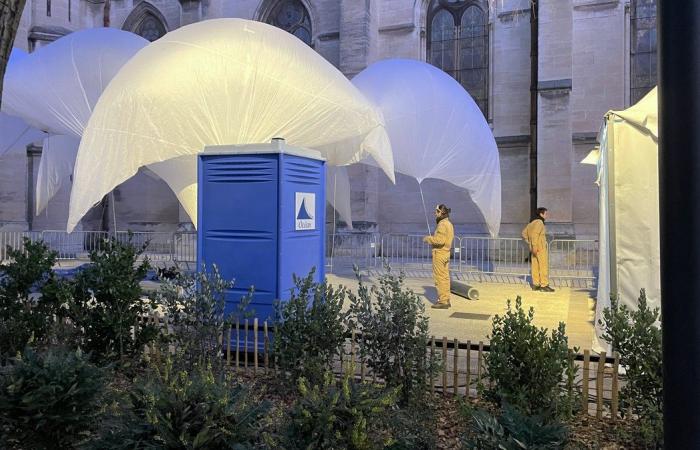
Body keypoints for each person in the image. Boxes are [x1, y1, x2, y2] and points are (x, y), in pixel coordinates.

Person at [423, 204, 455, 309]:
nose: (435, 214)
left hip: (440, 254)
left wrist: (428, 239)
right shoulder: (449, 223)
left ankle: (443, 301)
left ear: (441, 213)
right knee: (445, 278)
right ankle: (446, 299)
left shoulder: (442, 224)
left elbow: (440, 241)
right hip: (446, 253)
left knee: (440, 278)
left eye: (436, 212)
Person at [521, 207, 555, 292]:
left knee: (535, 266)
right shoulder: (540, 222)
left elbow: (523, 233)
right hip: (540, 248)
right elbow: (535, 235)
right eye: (545, 214)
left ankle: (535, 284)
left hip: (534, 249)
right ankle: (544, 285)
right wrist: (535, 245)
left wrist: (529, 243)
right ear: (541, 214)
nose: (546, 215)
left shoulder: (531, 223)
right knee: (543, 266)